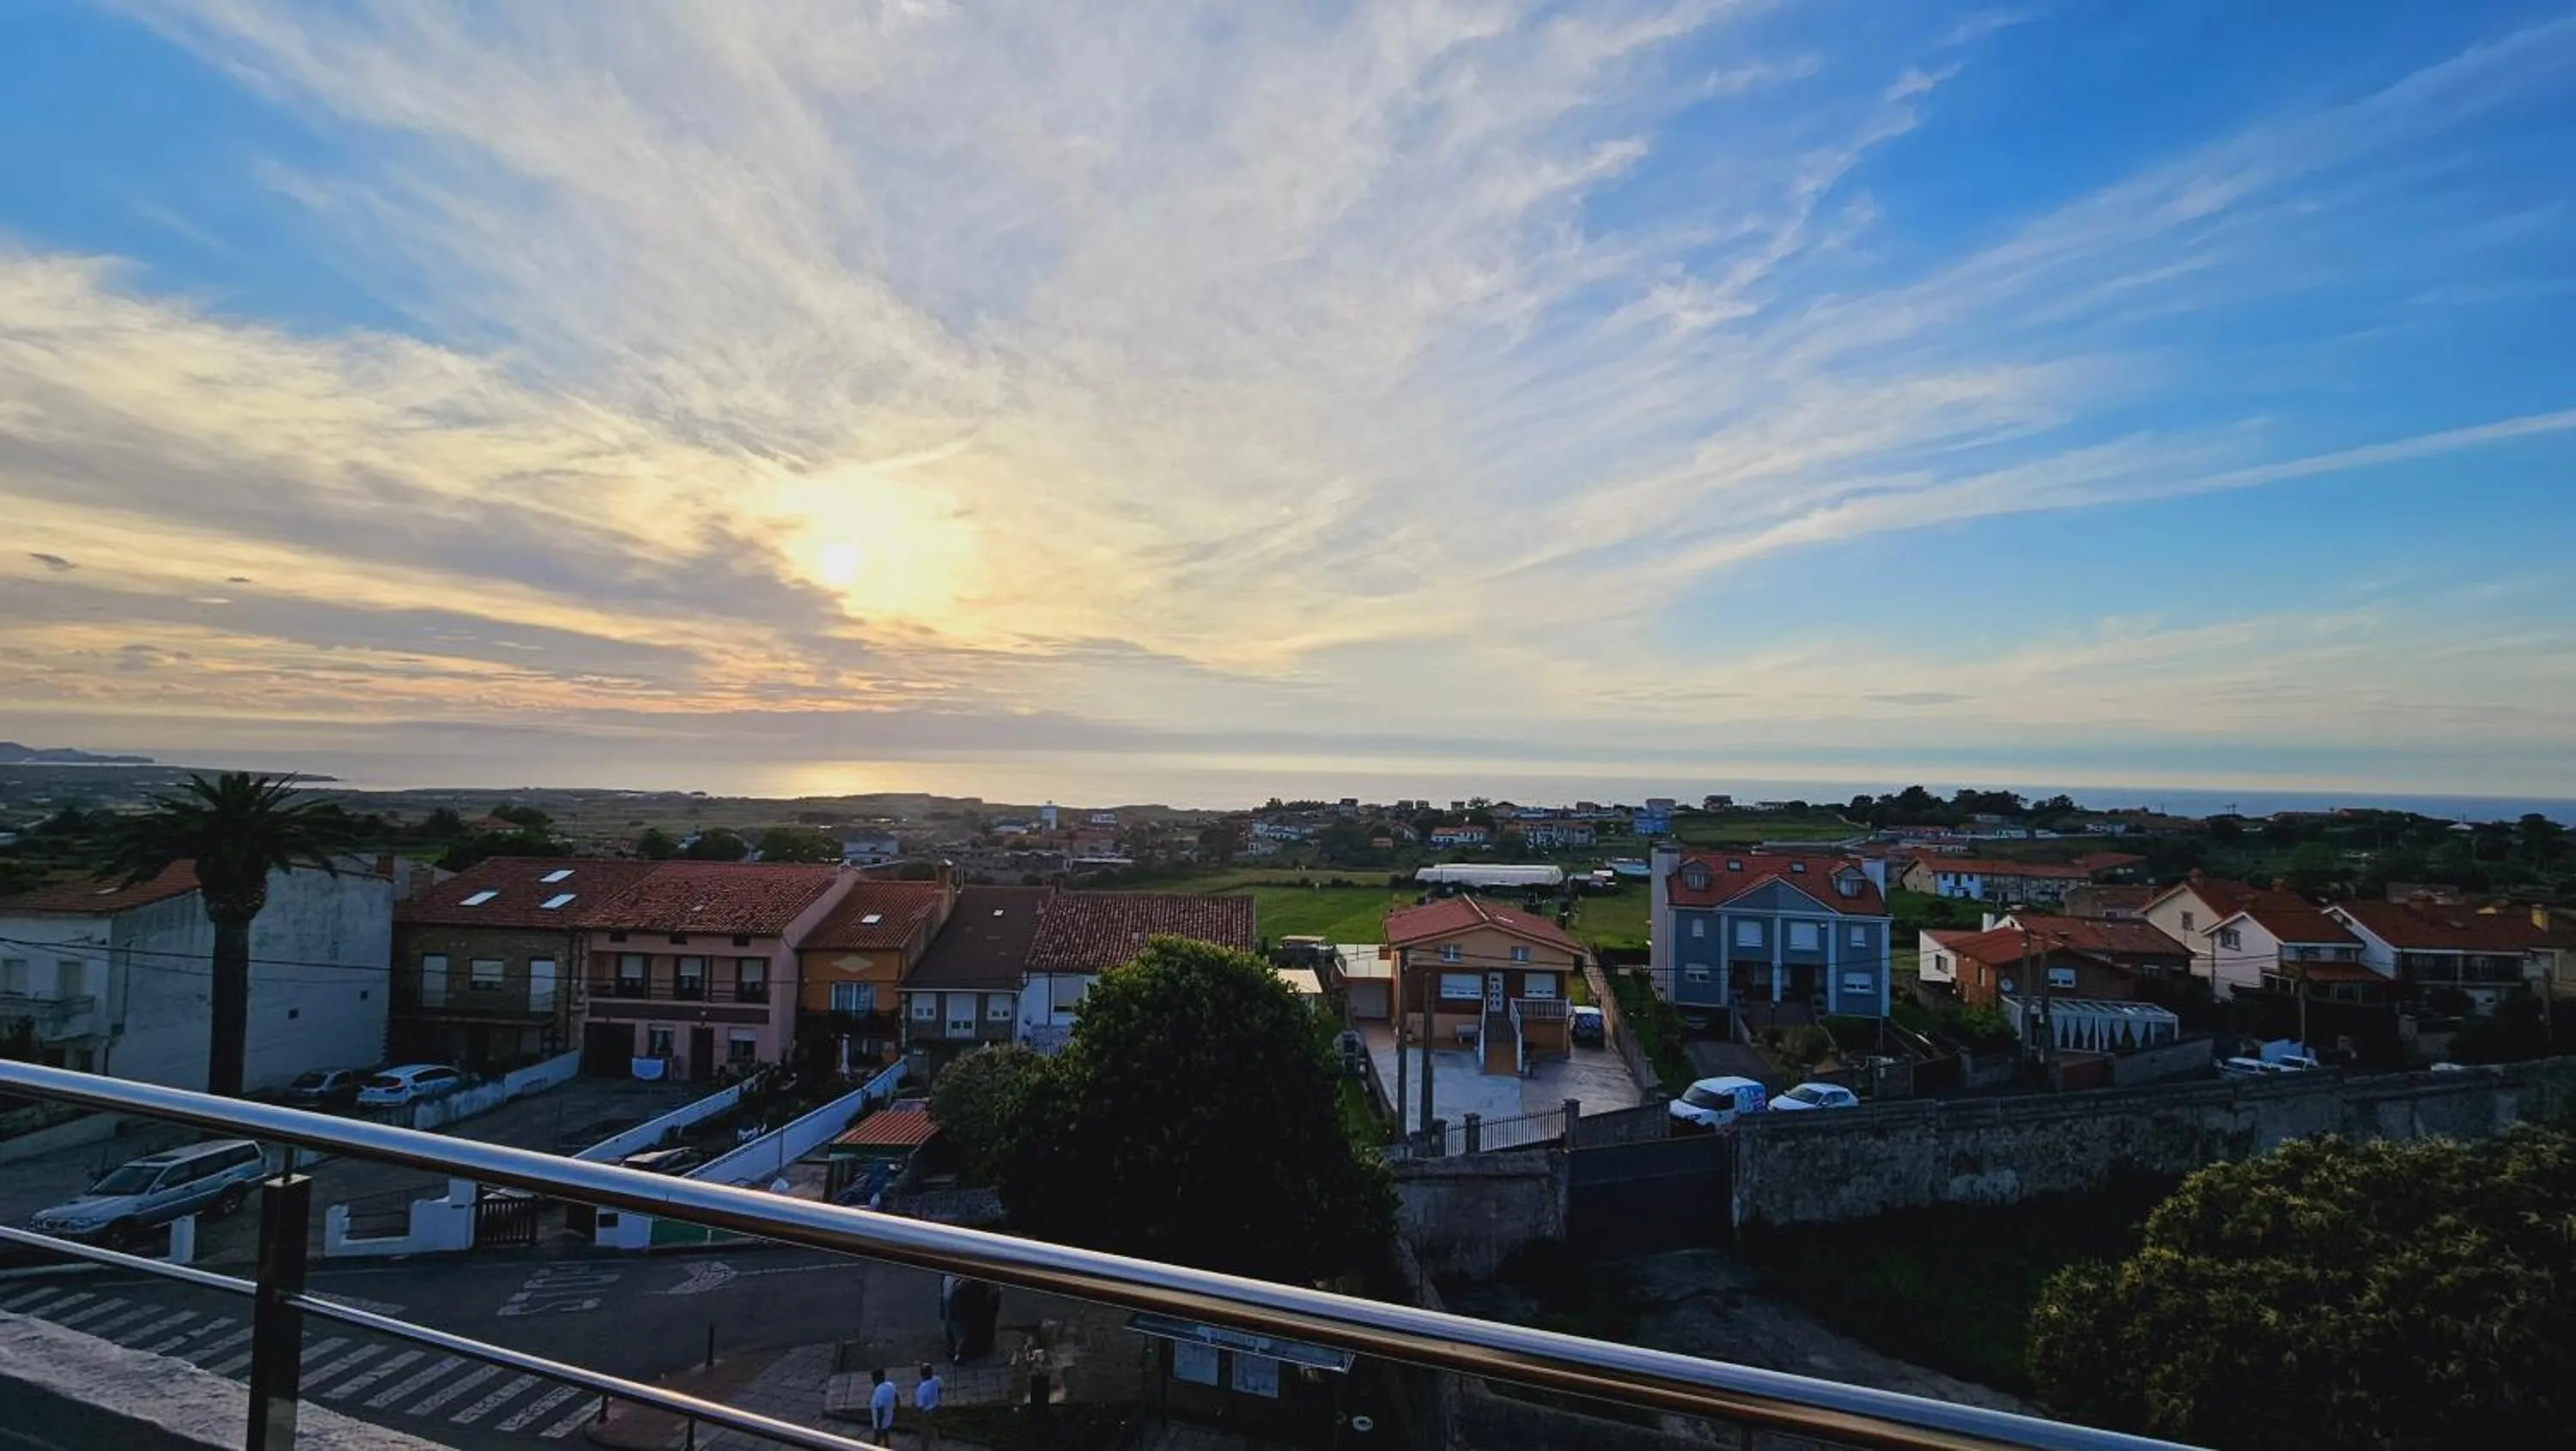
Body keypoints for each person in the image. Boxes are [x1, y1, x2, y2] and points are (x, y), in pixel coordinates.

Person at [914, 1362, 943, 1448]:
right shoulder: (937, 1380)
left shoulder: (921, 1389)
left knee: (924, 1437)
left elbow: (920, 1407)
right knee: (935, 1432)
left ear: (921, 1374)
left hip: (926, 1413)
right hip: (937, 1408)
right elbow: (940, 1390)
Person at [867, 1367, 896, 1438]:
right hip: (888, 1417)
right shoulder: (891, 1385)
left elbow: (880, 1410)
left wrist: (879, 1426)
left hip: (879, 1422)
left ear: (877, 1379)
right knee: (886, 1435)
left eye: (873, 1379)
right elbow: (896, 1396)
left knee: (877, 1438)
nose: (872, 1381)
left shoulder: (879, 1391)